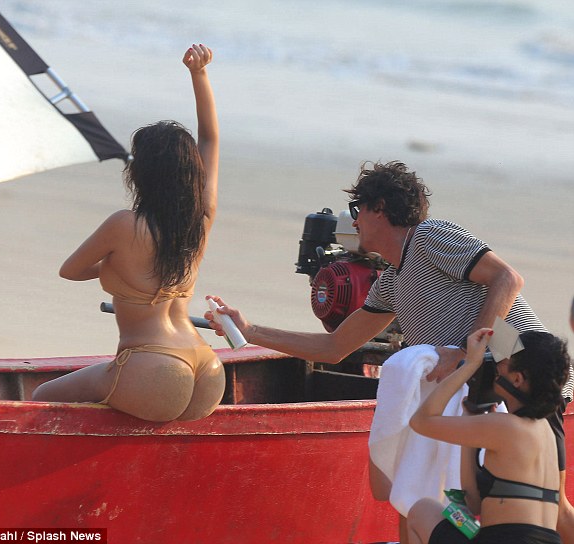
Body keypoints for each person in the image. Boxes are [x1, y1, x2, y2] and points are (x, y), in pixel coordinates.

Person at [204, 161, 574, 542]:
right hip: (480, 388)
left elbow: (508, 278)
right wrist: (250, 330)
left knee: (554, 509)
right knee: (431, 502)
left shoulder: (429, 237)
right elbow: (334, 347)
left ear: (379, 208)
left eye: (358, 210)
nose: (355, 222)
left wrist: (463, 351)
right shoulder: (392, 283)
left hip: (528, 377)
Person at [33, 44, 225, 422]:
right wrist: (199, 74)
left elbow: (70, 270)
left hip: (153, 365)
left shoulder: (125, 224)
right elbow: (210, 141)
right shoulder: (200, 218)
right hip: (207, 367)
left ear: (141, 174)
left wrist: (112, 268)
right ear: (191, 172)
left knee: (42, 397)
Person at [407, 327, 570, 544]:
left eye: (501, 364)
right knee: (445, 514)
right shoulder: (545, 431)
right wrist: (470, 423)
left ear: (517, 379)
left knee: (422, 510)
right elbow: (473, 502)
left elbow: (421, 421)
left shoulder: (505, 427)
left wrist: (470, 364)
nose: (495, 367)